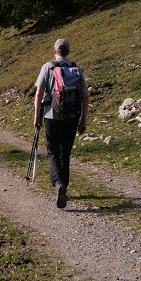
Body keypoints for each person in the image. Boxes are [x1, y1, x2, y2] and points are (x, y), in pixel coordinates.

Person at [33, 39, 89, 208]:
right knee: (66, 152)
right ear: (68, 52)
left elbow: (38, 94)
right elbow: (85, 97)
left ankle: (58, 184)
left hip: (51, 116)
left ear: (54, 51)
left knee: (53, 151)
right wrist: (83, 120)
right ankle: (64, 186)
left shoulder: (47, 67)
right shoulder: (76, 69)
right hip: (71, 117)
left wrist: (37, 117)